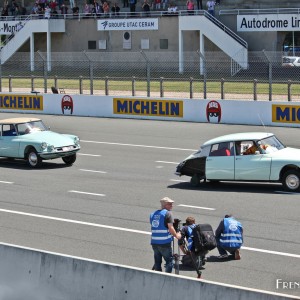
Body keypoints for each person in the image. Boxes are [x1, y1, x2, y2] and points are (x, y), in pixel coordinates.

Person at [150, 197, 181, 273]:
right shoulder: (168, 213)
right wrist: (177, 235)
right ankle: (167, 277)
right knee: (169, 261)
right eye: (169, 204)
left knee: (157, 261)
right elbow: (170, 228)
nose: (171, 206)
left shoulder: (152, 214)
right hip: (164, 242)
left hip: (154, 242)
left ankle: (157, 276)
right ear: (164, 205)